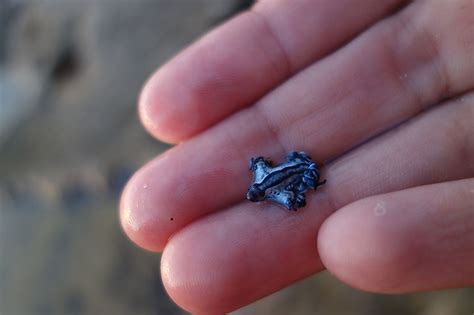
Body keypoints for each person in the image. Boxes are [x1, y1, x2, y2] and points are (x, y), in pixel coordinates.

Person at [119, 1, 474, 313]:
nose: (251, 194)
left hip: (299, 165)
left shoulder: (266, 187)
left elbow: (285, 192)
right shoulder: (264, 185)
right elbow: (276, 180)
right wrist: (284, 185)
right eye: (253, 195)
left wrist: (290, 186)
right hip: (297, 165)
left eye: (254, 195)